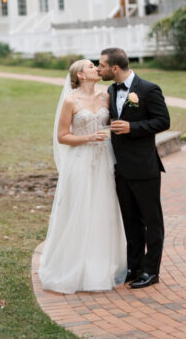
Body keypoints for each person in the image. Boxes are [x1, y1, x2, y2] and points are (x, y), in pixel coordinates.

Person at [38, 59, 127, 293]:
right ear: (79, 75)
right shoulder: (71, 100)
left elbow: (110, 125)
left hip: (105, 160)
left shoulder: (106, 96)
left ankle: (102, 265)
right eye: (90, 66)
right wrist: (89, 138)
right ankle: (75, 266)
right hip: (81, 162)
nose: (96, 67)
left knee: (104, 209)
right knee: (80, 209)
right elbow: (62, 136)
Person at [98, 48, 170, 289]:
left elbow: (163, 121)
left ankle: (151, 272)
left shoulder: (149, 89)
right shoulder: (111, 89)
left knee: (152, 222)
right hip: (120, 169)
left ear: (114, 69)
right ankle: (134, 267)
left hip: (145, 168)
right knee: (131, 222)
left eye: (102, 66)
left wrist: (133, 127)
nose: (99, 70)